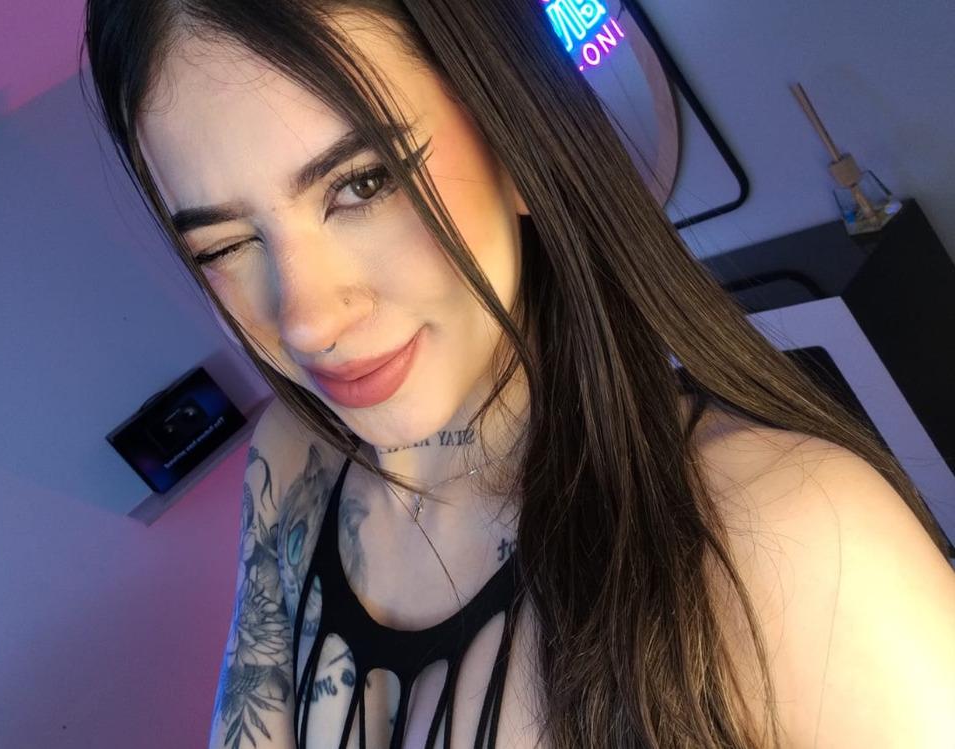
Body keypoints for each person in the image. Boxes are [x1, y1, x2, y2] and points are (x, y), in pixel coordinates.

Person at [82, 1, 955, 747]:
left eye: (365, 182)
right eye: (225, 245)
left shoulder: (800, 544)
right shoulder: (290, 460)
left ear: (514, 136)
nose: (307, 319)